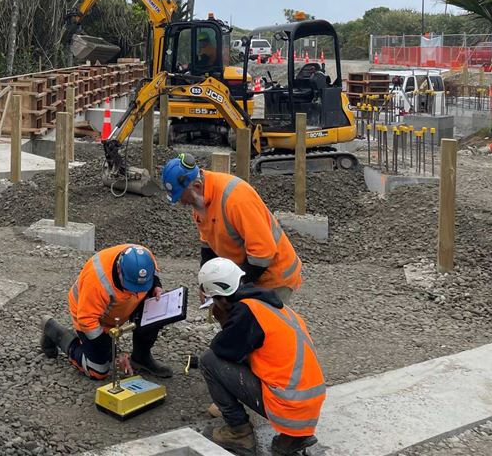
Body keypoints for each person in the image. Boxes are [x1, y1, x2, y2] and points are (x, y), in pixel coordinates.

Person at [198, 258, 324, 455]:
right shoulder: (267, 303)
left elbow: (221, 351)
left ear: (222, 299)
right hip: (307, 406)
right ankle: (292, 436)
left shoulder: (246, 311)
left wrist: (224, 319)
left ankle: (239, 434)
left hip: (287, 406)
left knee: (208, 361)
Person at [162, 153, 302, 302]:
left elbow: (262, 254)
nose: (181, 203)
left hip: (273, 277)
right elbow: (208, 244)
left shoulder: (236, 200)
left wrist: (234, 287)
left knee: (258, 323)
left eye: (182, 197)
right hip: (250, 271)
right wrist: (207, 283)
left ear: (197, 186)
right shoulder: (199, 200)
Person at [40, 244, 173, 379]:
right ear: (119, 269)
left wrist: (156, 285)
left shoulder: (144, 257)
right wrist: (115, 353)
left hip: (120, 308)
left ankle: (141, 357)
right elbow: (88, 322)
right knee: (98, 370)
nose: (136, 292)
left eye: (140, 286)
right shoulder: (97, 282)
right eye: (131, 285)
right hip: (91, 316)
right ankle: (55, 331)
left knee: (154, 311)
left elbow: (154, 272)